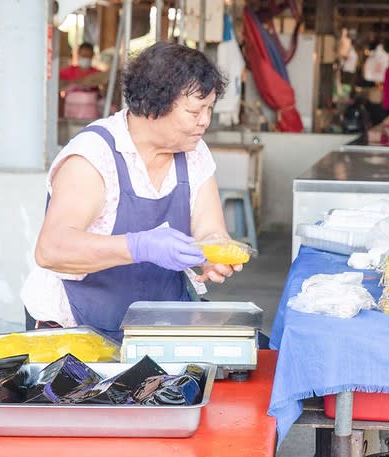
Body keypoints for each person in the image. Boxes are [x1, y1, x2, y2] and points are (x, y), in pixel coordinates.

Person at [22, 42, 240, 341]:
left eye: (209, 109)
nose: (205, 121)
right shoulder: (94, 156)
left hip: (159, 328)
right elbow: (52, 249)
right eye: (194, 111)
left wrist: (212, 254)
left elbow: (210, 230)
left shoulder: (194, 153)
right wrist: (140, 247)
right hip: (79, 332)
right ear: (153, 106)